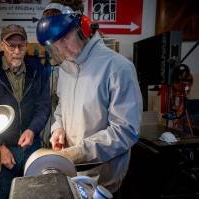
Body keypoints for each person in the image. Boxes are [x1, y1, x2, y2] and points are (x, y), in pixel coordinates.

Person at [36, 2, 143, 197]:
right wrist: (57, 128)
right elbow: (61, 108)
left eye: (65, 37)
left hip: (103, 183)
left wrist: (74, 153)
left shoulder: (118, 67)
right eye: (55, 43)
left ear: (82, 27)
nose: (62, 49)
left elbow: (125, 131)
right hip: (71, 175)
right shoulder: (65, 69)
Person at [0, 24, 51, 199]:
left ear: (26, 45)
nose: (17, 51)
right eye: (11, 46)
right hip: (3, 147)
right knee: (2, 194)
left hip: (32, 145)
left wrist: (33, 130)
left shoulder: (37, 69)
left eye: (21, 45)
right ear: (2, 45)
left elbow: (44, 105)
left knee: (34, 193)